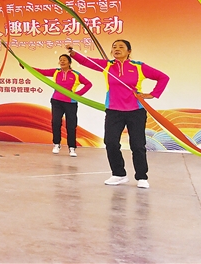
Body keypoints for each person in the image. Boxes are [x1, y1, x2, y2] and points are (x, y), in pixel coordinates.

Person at [67, 40, 169, 188]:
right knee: (111, 142)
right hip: (114, 111)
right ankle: (119, 174)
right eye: (114, 47)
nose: (117, 49)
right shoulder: (107, 66)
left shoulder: (138, 66)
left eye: (121, 47)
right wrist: (72, 52)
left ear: (129, 51)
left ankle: (141, 177)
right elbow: (86, 61)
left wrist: (152, 94)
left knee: (138, 145)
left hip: (136, 111)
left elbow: (163, 77)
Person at [29, 54, 92, 157]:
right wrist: (27, 67)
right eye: (60, 60)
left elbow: (88, 84)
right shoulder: (56, 72)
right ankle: (56, 144)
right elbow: (41, 72)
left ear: (69, 62)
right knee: (56, 122)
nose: (62, 62)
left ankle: (72, 148)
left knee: (71, 125)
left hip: (71, 103)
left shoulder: (76, 74)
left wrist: (78, 94)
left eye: (64, 60)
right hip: (56, 101)